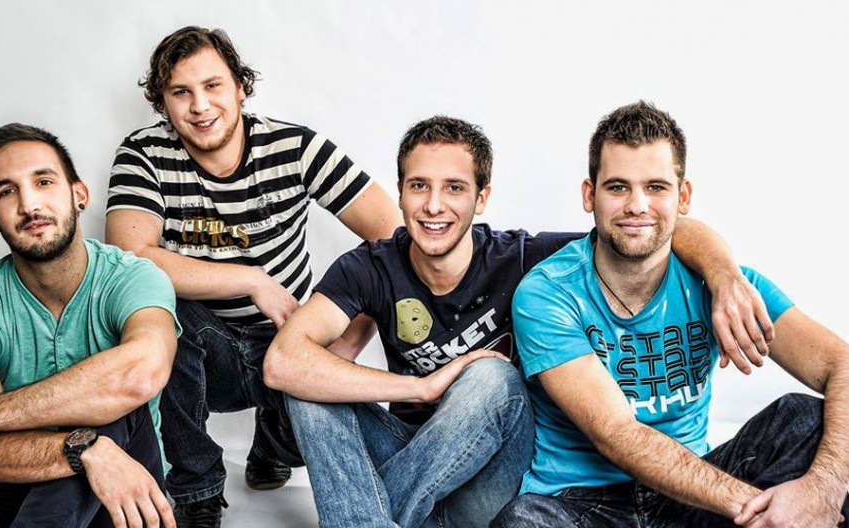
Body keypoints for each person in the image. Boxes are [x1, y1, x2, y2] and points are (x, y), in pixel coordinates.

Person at [263, 115, 773, 528]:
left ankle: (368, 515)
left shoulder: (525, 259)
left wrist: (724, 274)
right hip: (410, 454)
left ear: (481, 198)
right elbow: (283, 361)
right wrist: (420, 387)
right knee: (309, 382)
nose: (434, 205)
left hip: (492, 484)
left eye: (454, 187)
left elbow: (647, 230)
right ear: (400, 192)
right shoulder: (369, 266)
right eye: (419, 186)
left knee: (490, 376)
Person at [494, 101, 849, 528]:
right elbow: (617, 434)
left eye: (656, 187)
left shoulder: (728, 287)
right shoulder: (548, 293)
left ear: (683, 197)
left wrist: (823, 489)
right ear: (590, 195)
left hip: (691, 499)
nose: (637, 205)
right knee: (524, 520)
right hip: (583, 504)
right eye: (618, 187)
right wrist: (766, 512)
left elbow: (841, 364)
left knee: (808, 421)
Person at [105, 25, 401, 525]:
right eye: (181, 92)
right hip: (198, 344)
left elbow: (393, 241)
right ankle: (197, 489)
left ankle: (273, 444)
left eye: (212, 86)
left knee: (314, 426)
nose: (200, 106)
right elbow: (129, 255)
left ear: (240, 86)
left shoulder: (296, 147)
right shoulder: (143, 153)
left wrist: (348, 343)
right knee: (160, 314)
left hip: (287, 335)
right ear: (163, 102)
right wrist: (251, 279)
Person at [0, 123, 180, 528]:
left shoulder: (134, 277)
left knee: (116, 403)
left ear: (79, 194)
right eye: (7, 192)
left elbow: (140, 374)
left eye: (44, 182)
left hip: (122, 494)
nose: (29, 204)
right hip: (17, 491)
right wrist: (86, 451)